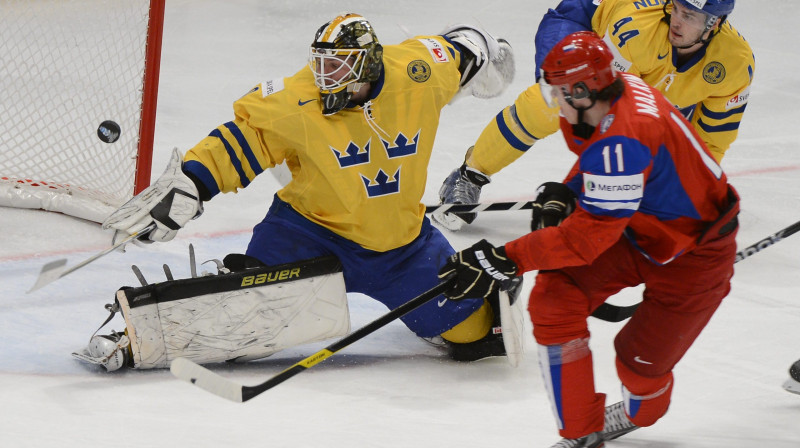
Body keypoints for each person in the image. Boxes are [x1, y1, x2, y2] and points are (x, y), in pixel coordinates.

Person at [73, 13, 518, 371]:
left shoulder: (420, 71)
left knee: (476, 335)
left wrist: (494, 55)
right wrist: (192, 182)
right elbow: (242, 142)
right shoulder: (295, 99)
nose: (324, 78)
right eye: (320, 65)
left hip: (401, 246)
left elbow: (467, 47)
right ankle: (136, 337)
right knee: (242, 313)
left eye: (337, 68)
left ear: (367, 66)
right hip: (307, 233)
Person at [438, 32, 740, 447]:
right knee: (554, 299)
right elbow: (599, 160)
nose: (554, 102)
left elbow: (584, 241)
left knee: (637, 364)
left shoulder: (625, 138)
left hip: (694, 252)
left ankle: (643, 408)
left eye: (557, 92)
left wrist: (503, 257)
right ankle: (581, 434)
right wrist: (569, 190)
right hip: (636, 230)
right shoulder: (615, 95)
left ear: (582, 90)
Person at [435, 0, 752, 231]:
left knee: (670, 140)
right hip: (582, 25)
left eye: (692, 16)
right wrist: (587, 192)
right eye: (678, 9)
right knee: (554, 103)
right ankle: (469, 174)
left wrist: (697, 192)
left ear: (715, 24)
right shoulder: (636, 32)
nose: (679, 22)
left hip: (651, 74)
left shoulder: (736, 63)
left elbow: (710, 140)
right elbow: (603, 118)